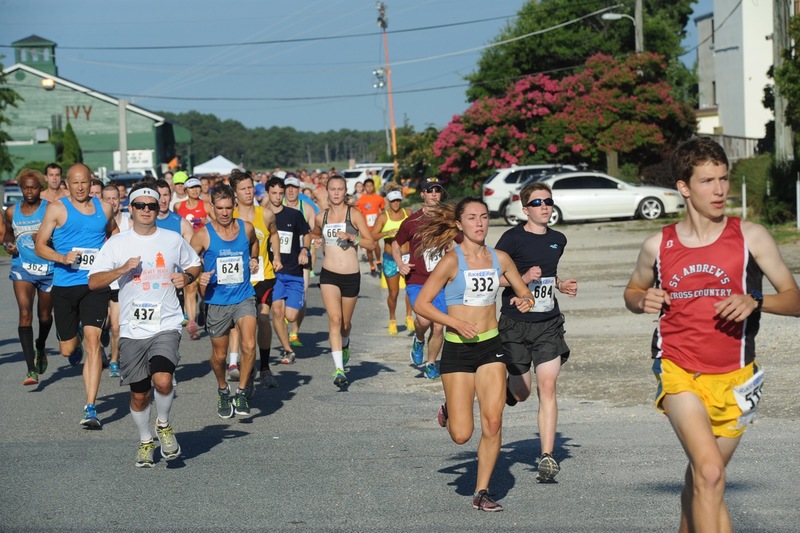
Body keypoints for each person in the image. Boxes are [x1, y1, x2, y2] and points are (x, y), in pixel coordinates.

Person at [623, 137, 800, 533]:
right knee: (710, 473)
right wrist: (642, 300)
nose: (719, 190)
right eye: (707, 181)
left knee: (705, 477)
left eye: (723, 179)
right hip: (678, 369)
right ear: (683, 187)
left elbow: (795, 298)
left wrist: (756, 300)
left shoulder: (750, 237)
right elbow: (632, 291)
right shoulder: (659, 245)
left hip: (736, 378)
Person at [413, 197, 533, 512]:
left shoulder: (501, 258)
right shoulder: (451, 261)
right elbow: (422, 304)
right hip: (457, 350)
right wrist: (454, 322)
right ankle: (451, 409)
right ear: (459, 224)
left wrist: (524, 301)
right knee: (462, 436)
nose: (479, 223)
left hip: (491, 347)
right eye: (471, 218)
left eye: (483, 217)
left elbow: (524, 293)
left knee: (493, 423)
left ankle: (482, 491)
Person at [88, 184, 202, 467]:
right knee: (139, 394)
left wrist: (187, 278)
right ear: (131, 208)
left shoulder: (172, 239)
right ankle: (145, 440)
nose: (147, 211)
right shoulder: (117, 243)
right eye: (140, 206)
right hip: (131, 328)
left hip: (166, 323)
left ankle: (163, 424)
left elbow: (195, 263)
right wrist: (121, 269)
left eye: (151, 206)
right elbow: (93, 282)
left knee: (163, 379)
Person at [494, 181, 578, 482]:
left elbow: (549, 276)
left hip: (548, 324)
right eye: (537, 202)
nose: (544, 206)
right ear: (524, 208)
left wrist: (560, 285)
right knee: (523, 391)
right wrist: (521, 278)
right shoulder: (512, 238)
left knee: (548, 386)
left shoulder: (558, 239)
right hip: (515, 323)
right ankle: (508, 389)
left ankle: (547, 456)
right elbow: (491, 276)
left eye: (548, 201)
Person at [34, 163, 118, 428]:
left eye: (85, 182)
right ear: (66, 184)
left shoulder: (104, 208)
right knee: (68, 348)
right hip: (65, 285)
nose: (80, 187)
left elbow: (114, 234)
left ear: (90, 181)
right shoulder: (57, 208)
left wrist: (112, 261)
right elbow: (39, 245)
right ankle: (76, 335)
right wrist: (62, 257)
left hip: (94, 285)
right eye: (75, 183)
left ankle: (90, 407)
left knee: (94, 344)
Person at [191, 184, 260, 418]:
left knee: (249, 344)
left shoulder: (246, 228)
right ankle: (222, 389)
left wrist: (253, 259)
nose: (224, 213)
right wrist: (200, 273)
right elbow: (188, 263)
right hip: (217, 301)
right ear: (212, 207)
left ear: (235, 206)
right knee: (219, 357)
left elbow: (255, 244)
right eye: (219, 208)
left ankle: (240, 391)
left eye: (228, 208)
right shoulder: (202, 234)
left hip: (244, 295)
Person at [311, 174, 374, 387]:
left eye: (340, 189)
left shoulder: (354, 215)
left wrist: (352, 238)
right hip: (329, 274)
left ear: (344, 191)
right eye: (333, 189)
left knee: (345, 324)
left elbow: (372, 244)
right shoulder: (321, 217)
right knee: (335, 320)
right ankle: (339, 369)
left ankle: (345, 344)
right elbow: (313, 235)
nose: (336, 193)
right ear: (327, 191)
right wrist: (315, 242)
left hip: (351, 276)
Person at [392, 177, 450, 380]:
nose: (434, 193)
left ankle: (431, 362)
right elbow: (396, 245)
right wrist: (400, 264)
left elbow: (461, 244)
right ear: (422, 194)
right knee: (424, 320)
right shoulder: (411, 222)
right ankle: (418, 339)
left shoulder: (447, 219)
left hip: (440, 281)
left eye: (437, 190)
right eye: (430, 190)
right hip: (417, 279)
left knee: (439, 325)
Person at [229, 170, 282, 387]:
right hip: (239, 279)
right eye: (243, 189)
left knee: (262, 318)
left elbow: (275, 233)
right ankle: (245, 367)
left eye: (250, 187)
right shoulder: (229, 216)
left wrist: (276, 255)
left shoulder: (266, 214)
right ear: (235, 193)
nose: (248, 192)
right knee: (243, 326)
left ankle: (265, 366)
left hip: (264, 276)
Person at [4, 169, 54, 386]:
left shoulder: (49, 209)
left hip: (47, 268)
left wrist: (46, 237)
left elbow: (61, 235)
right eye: (26, 187)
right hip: (22, 266)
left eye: (33, 187)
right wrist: (8, 244)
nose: (30, 191)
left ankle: (40, 345)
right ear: (21, 188)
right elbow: (7, 233)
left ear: (40, 188)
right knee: (25, 313)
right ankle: (30, 370)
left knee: (44, 316)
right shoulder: (12, 211)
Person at [264, 177, 311, 363]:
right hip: (273, 272)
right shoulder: (262, 215)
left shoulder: (294, 214)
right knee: (277, 311)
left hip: (293, 271)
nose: (277, 197)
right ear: (267, 193)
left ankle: (287, 336)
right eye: (273, 193)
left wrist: (305, 250)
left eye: (280, 194)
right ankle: (287, 349)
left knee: (290, 316)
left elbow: (306, 234)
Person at [99, 183, 132, 378]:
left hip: (120, 282)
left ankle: (114, 360)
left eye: (115, 198)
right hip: (101, 279)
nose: (112, 202)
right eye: (108, 198)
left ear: (121, 200)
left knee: (116, 325)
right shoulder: (97, 222)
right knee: (103, 323)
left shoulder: (129, 222)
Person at [371, 189, 413, 336]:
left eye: (398, 200)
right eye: (393, 201)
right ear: (388, 201)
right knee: (393, 293)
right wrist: (386, 233)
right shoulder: (383, 217)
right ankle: (392, 319)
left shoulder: (408, 213)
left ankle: (409, 317)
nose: (396, 203)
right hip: (390, 259)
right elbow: (373, 236)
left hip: (407, 256)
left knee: (411, 289)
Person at [282, 174, 317, 344]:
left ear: (299, 190)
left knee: (303, 293)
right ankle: (282, 327)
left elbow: (313, 232)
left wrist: (309, 247)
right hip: (280, 259)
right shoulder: (275, 206)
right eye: (287, 187)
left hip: (302, 258)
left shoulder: (307, 208)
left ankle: (295, 332)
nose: (290, 190)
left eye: (294, 187)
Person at [175, 177, 210, 339]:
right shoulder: (178, 207)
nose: (195, 190)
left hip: (204, 253)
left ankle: (204, 307)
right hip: (187, 253)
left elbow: (216, 227)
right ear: (186, 190)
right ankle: (192, 324)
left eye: (197, 187)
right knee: (190, 288)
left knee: (204, 288)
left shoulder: (207, 206)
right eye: (191, 188)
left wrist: (208, 221)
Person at [355, 178, 385, 276]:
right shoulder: (361, 200)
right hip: (366, 227)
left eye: (371, 186)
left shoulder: (379, 198)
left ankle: (379, 261)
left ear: (373, 186)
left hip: (376, 226)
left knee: (376, 245)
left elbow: (383, 210)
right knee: (369, 248)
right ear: (364, 187)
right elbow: (357, 213)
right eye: (367, 186)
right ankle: (372, 266)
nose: (369, 188)